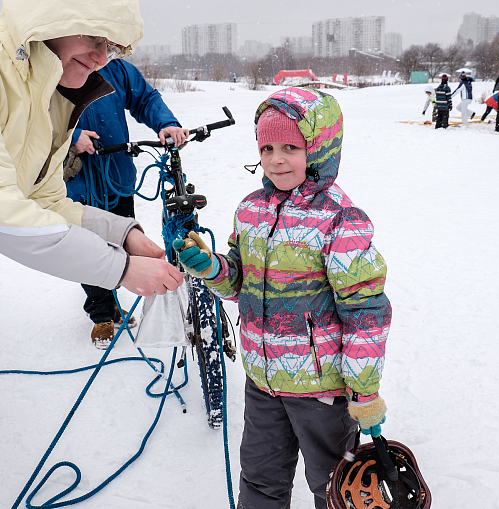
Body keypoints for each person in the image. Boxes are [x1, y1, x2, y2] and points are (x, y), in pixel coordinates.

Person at [173, 87, 391, 509]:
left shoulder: (340, 219)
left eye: (291, 147)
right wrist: (210, 267)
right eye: (267, 146)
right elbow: (239, 282)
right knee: (259, 480)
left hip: (322, 392)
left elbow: (365, 312)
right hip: (262, 383)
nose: (276, 159)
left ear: (319, 146)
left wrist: (364, 392)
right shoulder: (250, 210)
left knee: (334, 487)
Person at [0, 0, 183, 311]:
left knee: (107, 236)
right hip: (83, 177)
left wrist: (121, 235)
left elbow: (45, 202)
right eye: (95, 38)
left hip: (117, 171)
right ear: (53, 16)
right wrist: (121, 268)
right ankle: (102, 313)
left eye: (110, 47)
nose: (101, 58)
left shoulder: (62, 86)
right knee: (95, 259)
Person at [64, 58, 188, 348]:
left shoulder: (117, 70)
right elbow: (35, 120)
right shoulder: (55, 70)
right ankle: (102, 313)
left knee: (122, 243)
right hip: (79, 185)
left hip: (118, 178)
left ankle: (120, 300)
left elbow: (144, 98)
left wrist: (167, 123)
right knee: (89, 250)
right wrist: (72, 135)